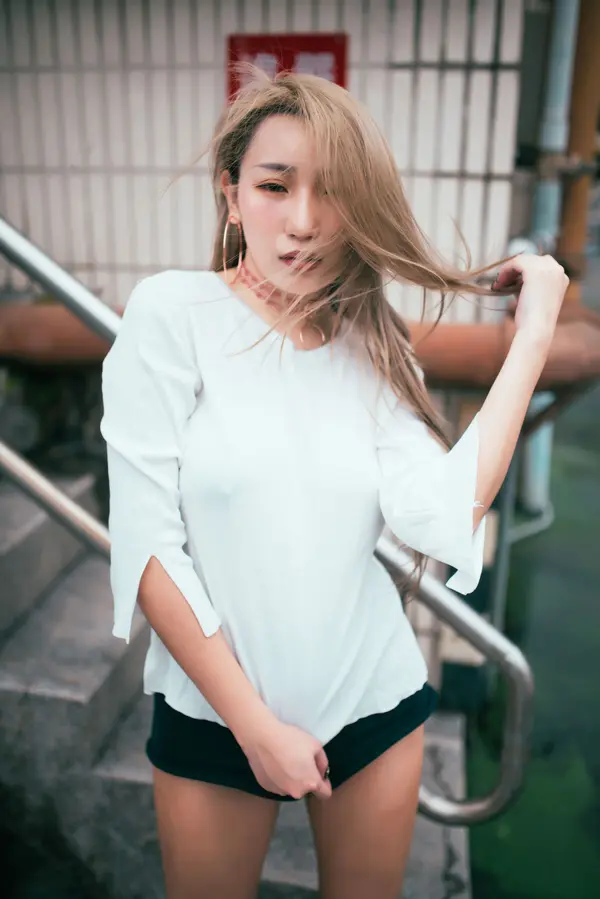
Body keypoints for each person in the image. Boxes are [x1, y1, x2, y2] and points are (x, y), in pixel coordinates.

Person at [100, 67, 568, 899]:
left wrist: (531, 341)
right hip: (218, 715)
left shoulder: (369, 345)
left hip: (373, 702)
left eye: (335, 192)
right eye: (274, 186)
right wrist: (256, 727)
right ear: (231, 194)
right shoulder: (172, 314)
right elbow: (147, 545)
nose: (305, 221)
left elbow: (440, 515)